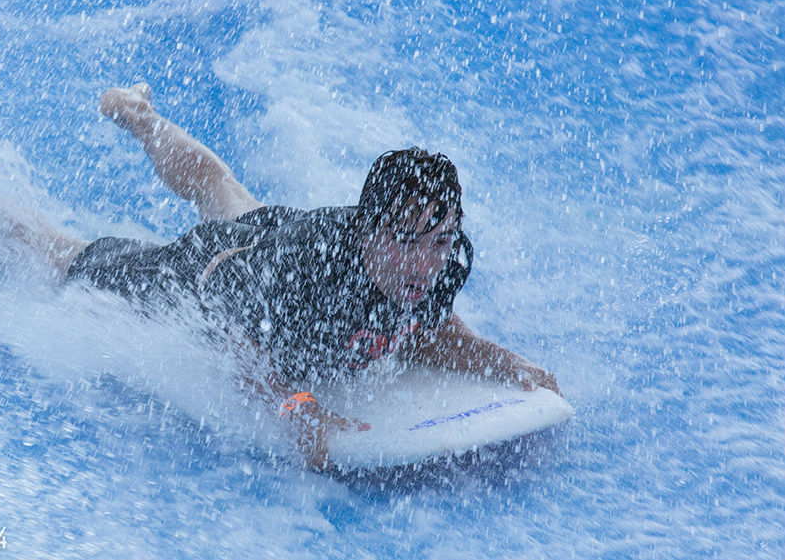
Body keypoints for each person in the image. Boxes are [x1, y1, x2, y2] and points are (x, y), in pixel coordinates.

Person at [52, 82, 560, 470]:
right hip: (211, 273)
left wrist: (499, 360)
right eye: (409, 243)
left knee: (221, 188)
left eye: (440, 242)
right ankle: (13, 223)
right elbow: (237, 342)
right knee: (71, 261)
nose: (426, 264)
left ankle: (139, 115)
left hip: (279, 234)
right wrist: (296, 404)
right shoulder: (313, 275)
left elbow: (430, 327)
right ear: (369, 231)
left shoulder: (438, 253)